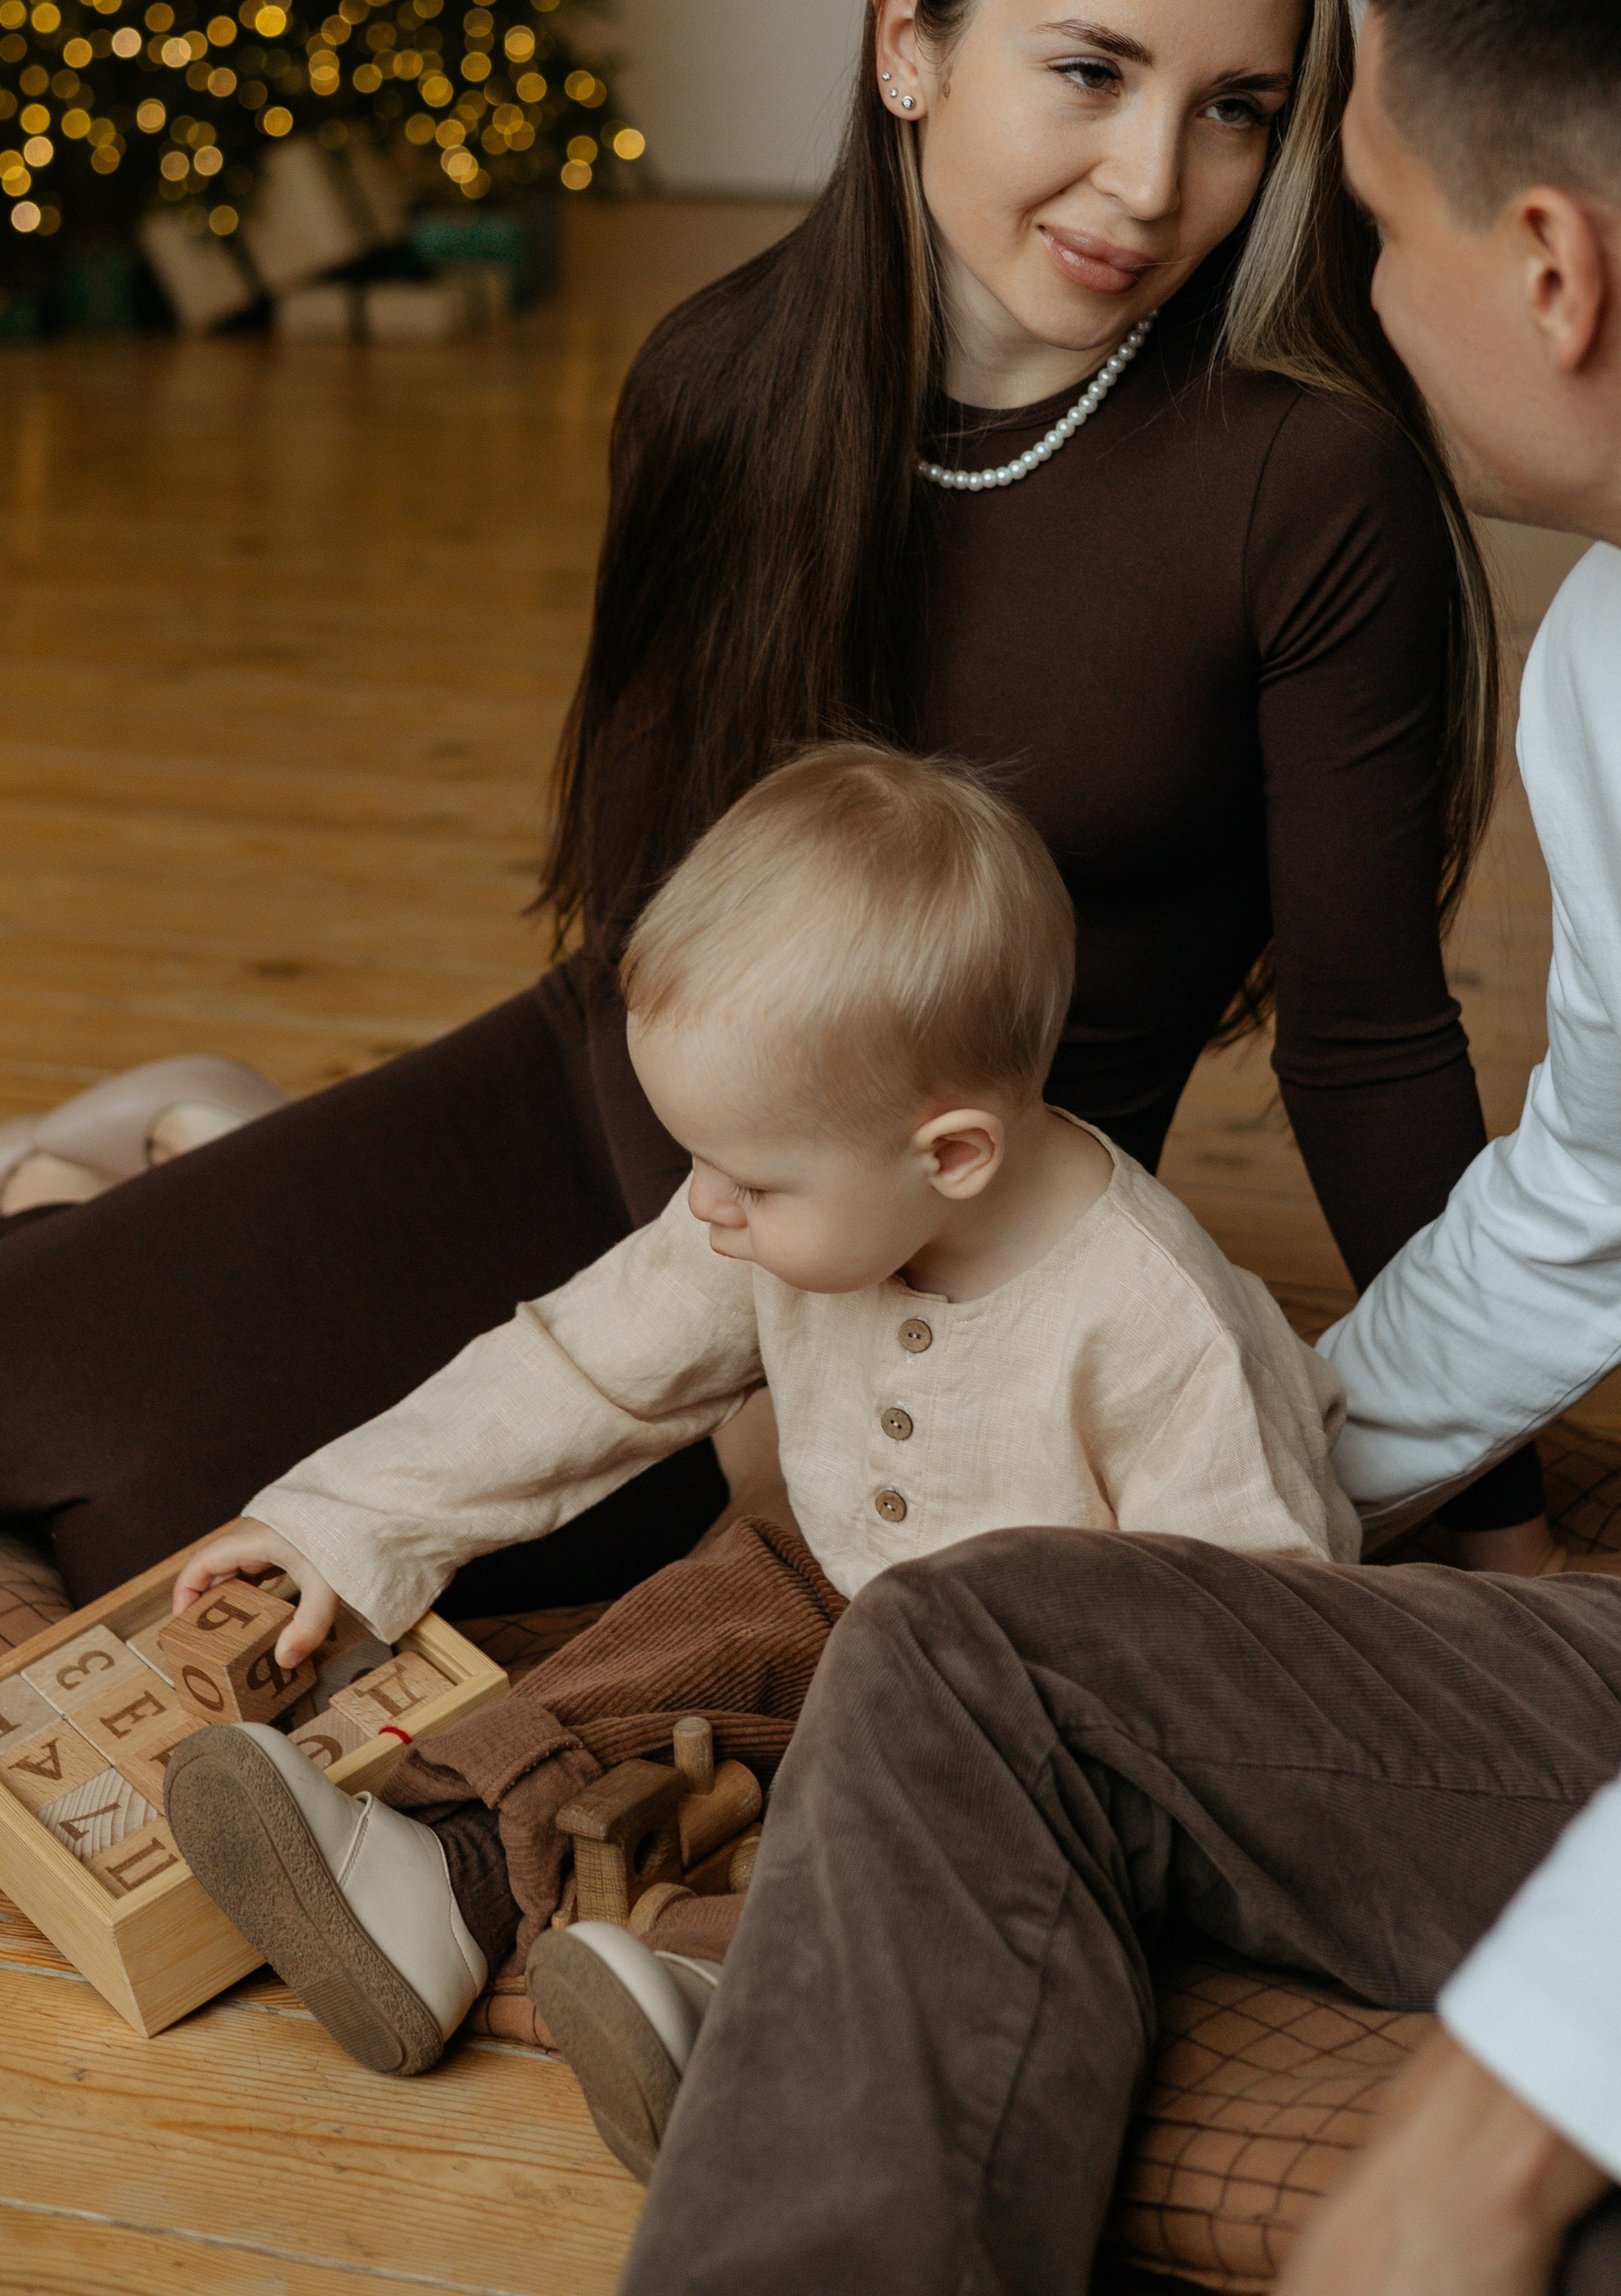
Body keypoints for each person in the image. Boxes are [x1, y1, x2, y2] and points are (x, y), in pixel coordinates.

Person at [602, 0, 1621, 2296]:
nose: (1313, 267)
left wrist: (1465, 2161)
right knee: (986, 1655)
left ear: (1553, 270)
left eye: (1350, 194)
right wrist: (1225, 1460)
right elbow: (1596, 1180)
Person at [0, 0, 1544, 1607]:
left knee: (152, 1528)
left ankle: (200, 1158)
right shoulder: (719, 382)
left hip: (924, 1230)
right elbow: (648, 907)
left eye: (1235, 106)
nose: (1148, 180)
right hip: (637, 1110)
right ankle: (177, 1146)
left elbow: (1370, 1043)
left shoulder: (1307, 486)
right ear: (910, 36)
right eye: (1087, 70)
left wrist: (1503, 1526)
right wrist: (655, 1307)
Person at [153, 743, 1354, 2140]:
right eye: (695, 1161)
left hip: (1025, 1700)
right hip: (826, 1570)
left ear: (951, 1154)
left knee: (928, 1835)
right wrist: (341, 1518)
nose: (706, 1208)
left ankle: (730, 1991)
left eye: (752, 1177)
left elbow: (1266, 1630)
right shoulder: (771, 1214)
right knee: (682, 1626)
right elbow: (581, 1368)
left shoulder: (1162, 1325)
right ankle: (448, 1875)